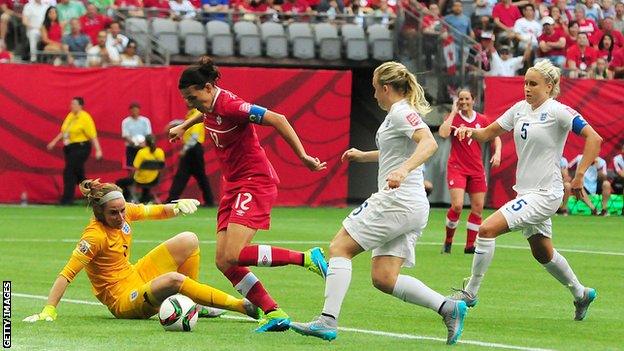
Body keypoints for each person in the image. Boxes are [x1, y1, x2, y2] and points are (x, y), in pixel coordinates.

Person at [289, 61, 468, 345]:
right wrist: (365, 155)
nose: (374, 95)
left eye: (375, 89)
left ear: (386, 88)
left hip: (397, 200)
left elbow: (428, 143)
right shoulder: (396, 115)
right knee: (384, 278)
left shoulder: (401, 112)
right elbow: (395, 152)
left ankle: (327, 320)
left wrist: (404, 170)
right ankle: (449, 307)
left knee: (339, 247)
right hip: (411, 204)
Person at [168, 56, 328, 333]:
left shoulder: (232, 105)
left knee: (235, 253)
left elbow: (278, 119)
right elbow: (206, 113)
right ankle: (274, 312)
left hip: (254, 181)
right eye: (186, 99)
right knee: (223, 261)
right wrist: (185, 125)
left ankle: (307, 258)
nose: (189, 103)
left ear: (207, 88)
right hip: (232, 184)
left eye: (192, 97)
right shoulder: (209, 104)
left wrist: (302, 156)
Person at [451, 59, 601, 321]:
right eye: (525, 83)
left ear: (550, 86)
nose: (527, 88)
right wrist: (470, 132)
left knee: (486, 230)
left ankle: (470, 293)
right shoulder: (520, 109)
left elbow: (594, 138)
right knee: (542, 253)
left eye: (533, 84)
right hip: (526, 192)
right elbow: (488, 132)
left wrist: (578, 177)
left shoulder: (559, 111)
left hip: (546, 193)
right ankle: (581, 293)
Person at [23, 179, 260, 322]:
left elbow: (151, 211)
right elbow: (67, 274)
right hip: (124, 301)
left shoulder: (124, 210)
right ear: (99, 214)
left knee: (189, 239)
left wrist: (176, 208)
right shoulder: (94, 237)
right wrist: (48, 310)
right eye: (113, 213)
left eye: (122, 211)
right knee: (174, 279)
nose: (121, 216)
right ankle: (240, 306)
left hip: (135, 276)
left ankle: (191, 304)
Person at [439, 89, 501, 254]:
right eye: (461, 99)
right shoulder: (454, 118)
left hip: (476, 169)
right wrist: (453, 112)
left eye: (467, 98)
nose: (464, 101)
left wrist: (497, 153)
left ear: (473, 100)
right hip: (457, 167)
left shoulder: (482, 119)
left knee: (478, 208)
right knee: (458, 206)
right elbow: (443, 133)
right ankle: (448, 241)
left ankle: (469, 246)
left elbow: (496, 135)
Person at [47, 97, 103, 205]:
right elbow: (64, 132)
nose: (71, 106)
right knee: (79, 175)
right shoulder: (70, 116)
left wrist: (98, 150)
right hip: (70, 148)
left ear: (80, 106)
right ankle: (96, 194)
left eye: (74, 104)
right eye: (71, 104)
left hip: (81, 147)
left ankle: (67, 199)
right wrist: (54, 142)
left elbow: (93, 135)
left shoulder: (85, 117)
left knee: (69, 172)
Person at [165, 102, 214, 206]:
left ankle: (172, 198)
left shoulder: (197, 113)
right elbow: (186, 122)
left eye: (189, 101)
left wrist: (185, 149)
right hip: (193, 149)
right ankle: (209, 200)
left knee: (184, 175)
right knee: (196, 175)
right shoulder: (191, 114)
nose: (187, 103)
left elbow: (194, 136)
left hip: (193, 148)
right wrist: (174, 123)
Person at [117, 134, 165, 203]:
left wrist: (131, 177)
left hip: (140, 180)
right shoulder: (160, 152)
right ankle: (145, 199)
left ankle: (126, 199)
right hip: (154, 180)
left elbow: (135, 168)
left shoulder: (141, 152)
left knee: (120, 182)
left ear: (145, 142)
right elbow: (161, 166)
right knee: (146, 186)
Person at [121, 101, 152, 170]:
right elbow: (125, 136)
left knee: (143, 166)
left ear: (139, 110)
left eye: (136, 110)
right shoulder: (126, 122)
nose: (134, 112)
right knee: (131, 168)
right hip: (131, 148)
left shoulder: (145, 121)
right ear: (130, 111)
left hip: (143, 147)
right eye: (133, 110)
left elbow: (148, 134)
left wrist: (143, 143)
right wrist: (136, 143)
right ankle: (132, 180)